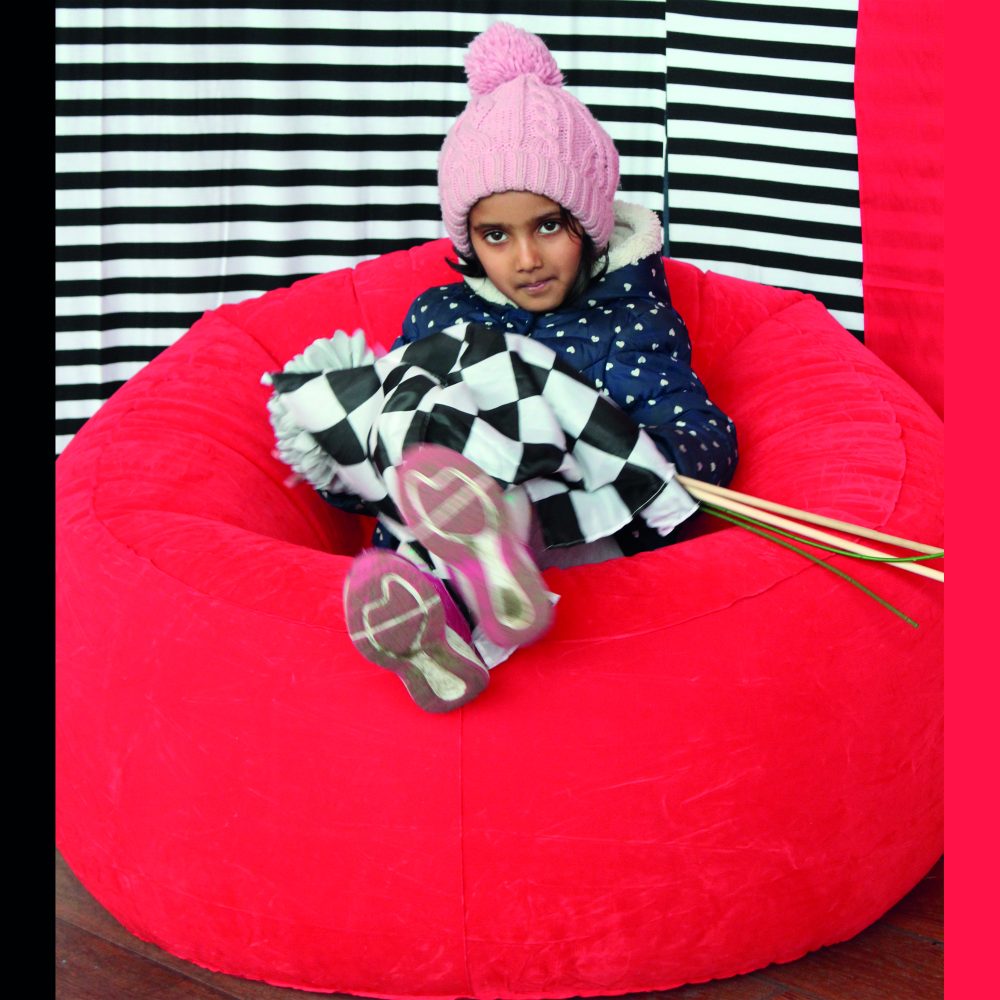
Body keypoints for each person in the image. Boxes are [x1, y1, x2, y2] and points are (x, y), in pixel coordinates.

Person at [265, 22, 737, 713]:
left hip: (572, 533)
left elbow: (700, 438)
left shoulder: (627, 319)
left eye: (548, 225)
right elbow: (394, 438)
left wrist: (621, 457)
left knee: (512, 411)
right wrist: (344, 463)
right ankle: (442, 624)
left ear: (591, 222)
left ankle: (487, 559)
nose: (525, 259)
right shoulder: (439, 317)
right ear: (468, 239)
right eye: (496, 235)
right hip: (435, 521)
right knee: (422, 401)